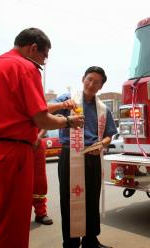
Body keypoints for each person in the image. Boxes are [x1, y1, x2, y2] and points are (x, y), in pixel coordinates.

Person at [0, 28, 84, 248]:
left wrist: (60, 105)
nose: (43, 63)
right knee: (11, 224)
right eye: (44, 57)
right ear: (33, 48)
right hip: (12, 155)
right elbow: (41, 119)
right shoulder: (25, 67)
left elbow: (26, 108)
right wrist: (69, 121)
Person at [53, 66, 117, 248]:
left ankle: (91, 241)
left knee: (91, 198)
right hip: (70, 154)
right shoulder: (68, 100)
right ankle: (70, 243)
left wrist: (102, 144)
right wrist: (62, 106)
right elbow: (44, 109)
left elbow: (109, 135)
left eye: (96, 82)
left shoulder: (103, 108)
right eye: (89, 79)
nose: (91, 84)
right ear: (83, 79)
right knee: (68, 199)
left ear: (101, 87)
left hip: (92, 155)